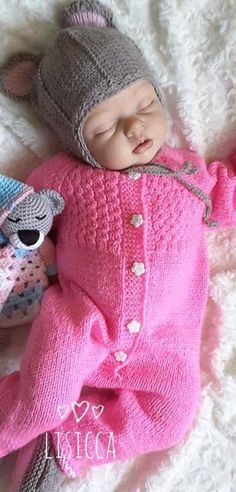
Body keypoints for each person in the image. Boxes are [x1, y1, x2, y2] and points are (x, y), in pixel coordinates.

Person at [0, 1, 235, 490]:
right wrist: (28, 217)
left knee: (170, 417)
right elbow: (28, 209)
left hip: (163, 345)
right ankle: (21, 428)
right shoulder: (65, 175)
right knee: (42, 400)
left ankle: (66, 446)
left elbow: (228, 193)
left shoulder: (190, 175)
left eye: (145, 105)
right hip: (79, 328)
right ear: (76, 140)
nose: (134, 128)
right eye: (105, 128)